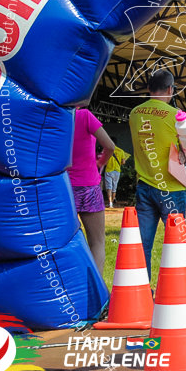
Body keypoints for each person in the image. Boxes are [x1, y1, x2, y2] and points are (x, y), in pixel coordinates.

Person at [128, 69, 186, 279]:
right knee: (177, 243)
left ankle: (144, 290)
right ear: (170, 90)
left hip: (144, 185)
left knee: (143, 244)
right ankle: (177, 289)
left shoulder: (134, 114)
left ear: (148, 88)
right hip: (171, 187)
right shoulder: (176, 116)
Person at [69, 108, 115, 270]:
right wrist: (101, 162)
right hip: (89, 186)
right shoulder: (84, 115)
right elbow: (109, 145)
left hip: (65, 189)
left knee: (65, 243)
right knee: (97, 242)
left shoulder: (55, 116)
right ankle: (96, 290)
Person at [103, 138, 129, 208]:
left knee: (109, 187)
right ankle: (113, 200)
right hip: (117, 171)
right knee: (114, 187)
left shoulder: (107, 150)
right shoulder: (121, 151)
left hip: (109, 170)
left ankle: (110, 203)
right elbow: (123, 162)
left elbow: (104, 162)